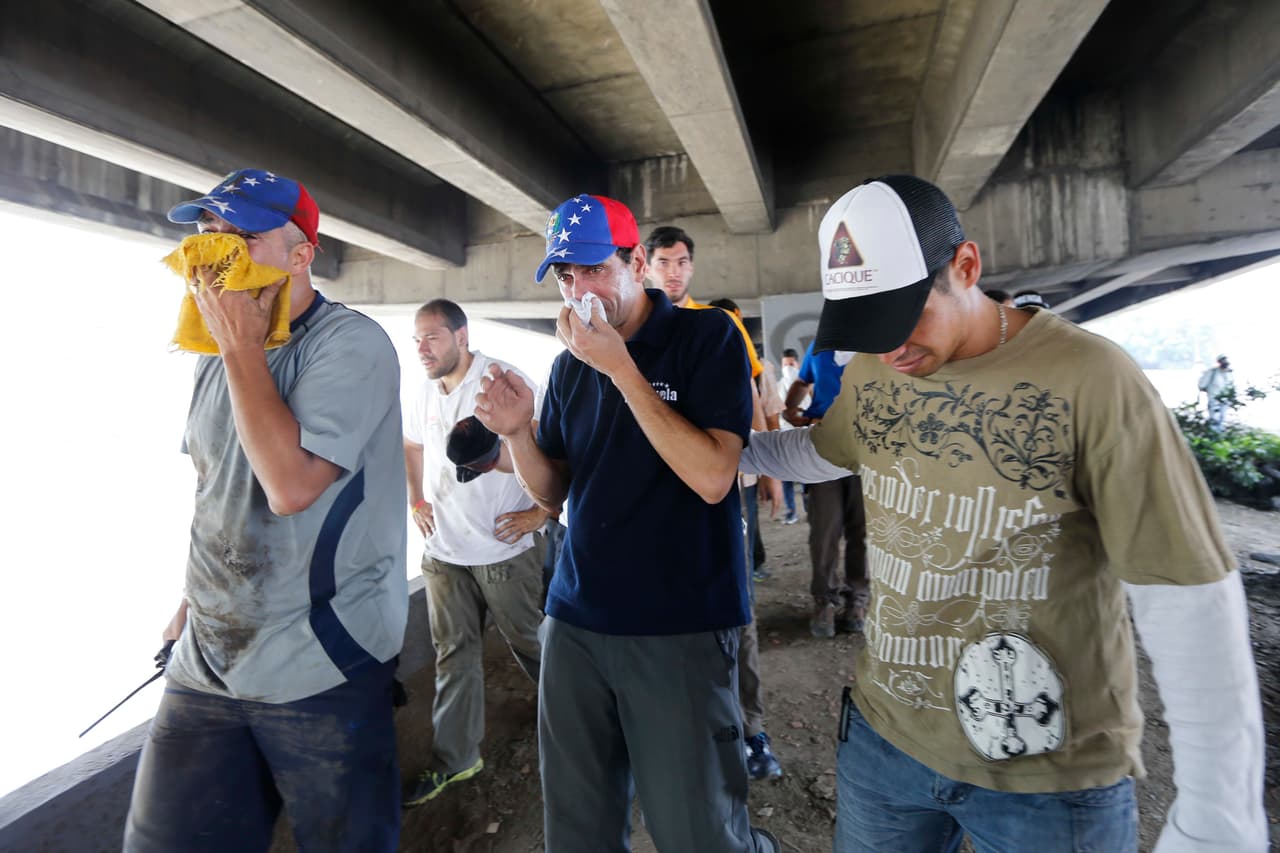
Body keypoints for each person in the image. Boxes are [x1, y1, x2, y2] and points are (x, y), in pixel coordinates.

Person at [739, 174, 1266, 852]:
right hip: (884, 742)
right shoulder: (876, 368)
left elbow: (1184, 588)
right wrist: (735, 454)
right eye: (868, 327)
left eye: (905, 319)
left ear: (966, 267)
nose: (892, 351)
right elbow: (826, 451)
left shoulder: (1093, 380)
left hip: (1045, 779)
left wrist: (1216, 819)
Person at [475, 194, 779, 852]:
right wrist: (519, 432)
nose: (579, 290)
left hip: (682, 624)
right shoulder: (566, 368)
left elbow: (712, 476)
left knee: (697, 831)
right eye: (565, 276)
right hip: (576, 622)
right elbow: (555, 493)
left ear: (637, 263)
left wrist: (621, 367)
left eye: (593, 269)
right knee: (577, 830)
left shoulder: (708, 339)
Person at [125, 169, 408, 851]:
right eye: (209, 232)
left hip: (322, 659)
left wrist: (241, 347)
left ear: (299, 254)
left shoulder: (350, 344)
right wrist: (191, 602)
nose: (216, 251)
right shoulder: (216, 352)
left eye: (241, 236)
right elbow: (217, 487)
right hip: (210, 657)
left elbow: (289, 486)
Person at [401, 299, 549, 805]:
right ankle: (456, 759)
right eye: (416, 338)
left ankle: (590, 725)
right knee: (452, 653)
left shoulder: (502, 381)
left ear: (461, 337)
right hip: (445, 551)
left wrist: (541, 514)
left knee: (529, 640)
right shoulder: (423, 390)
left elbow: (555, 445)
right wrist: (415, 498)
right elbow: (412, 444)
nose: (422, 348)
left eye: (432, 337)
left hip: (504, 546)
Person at [783, 342, 868, 639]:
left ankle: (857, 598)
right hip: (822, 449)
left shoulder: (876, 347)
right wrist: (791, 409)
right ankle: (825, 601)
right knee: (824, 530)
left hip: (867, 452)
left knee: (862, 530)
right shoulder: (820, 349)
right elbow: (802, 381)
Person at [777, 347, 806, 524]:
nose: (788, 367)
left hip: (803, 437)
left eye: (791, 364)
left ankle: (811, 510)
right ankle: (790, 511)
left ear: (798, 364)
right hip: (784, 438)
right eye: (785, 365)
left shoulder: (806, 386)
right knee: (786, 479)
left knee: (807, 478)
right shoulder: (777, 387)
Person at [1198, 353, 1233, 430]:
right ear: (1219, 362)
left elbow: (1232, 386)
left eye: (1226, 360)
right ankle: (1214, 435)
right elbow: (1202, 384)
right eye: (1223, 360)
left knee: (1222, 418)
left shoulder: (1230, 373)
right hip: (1214, 399)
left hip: (1225, 400)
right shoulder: (1212, 372)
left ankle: (1219, 436)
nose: (1225, 362)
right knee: (1214, 418)